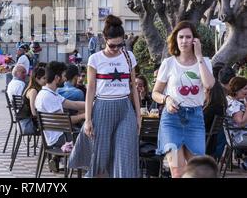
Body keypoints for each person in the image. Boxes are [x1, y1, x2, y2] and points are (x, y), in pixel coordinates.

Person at [70, 14, 141, 178]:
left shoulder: (129, 57)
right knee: (100, 158)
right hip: (102, 107)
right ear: (104, 39)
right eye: (112, 45)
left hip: (125, 108)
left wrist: (138, 115)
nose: (116, 49)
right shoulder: (95, 59)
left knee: (125, 156)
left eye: (120, 44)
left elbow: (133, 88)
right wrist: (87, 119)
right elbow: (90, 91)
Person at [152, 21, 215, 178]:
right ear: (175, 39)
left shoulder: (205, 62)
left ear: (195, 40)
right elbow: (155, 93)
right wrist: (166, 99)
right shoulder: (168, 63)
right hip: (171, 120)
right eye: (180, 37)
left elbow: (209, 84)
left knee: (198, 171)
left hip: (195, 119)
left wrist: (199, 55)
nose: (184, 41)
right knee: (177, 171)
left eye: (188, 37)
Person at [35, 61, 85, 146]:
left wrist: (93, 103)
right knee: (93, 135)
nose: (65, 79)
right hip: (60, 139)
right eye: (64, 76)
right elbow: (64, 122)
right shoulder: (48, 96)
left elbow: (74, 104)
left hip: (59, 136)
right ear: (57, 78)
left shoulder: (49, 93)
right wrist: (84, 116)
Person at [203, 62, 228, 158]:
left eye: (205, 89)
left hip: (204, 143)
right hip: (211, 143)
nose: (204, 91)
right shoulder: (220, 106)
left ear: (210, 91)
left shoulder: (211, 108)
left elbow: (200, 123)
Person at [225, 76, 247, 170]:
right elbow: (241, 123)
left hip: (235, 136)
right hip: (239, 138)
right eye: (245, 88)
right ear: (237, 89)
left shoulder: (228, 100)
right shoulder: (235, 104)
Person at [17, 66, 47, 135]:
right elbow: (34, 113)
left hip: (24, 123)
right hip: (27, 125)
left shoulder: (29, 88)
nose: (46, 81)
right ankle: (49, 145)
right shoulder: (33, 91)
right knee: (53, 127)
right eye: (44, 78)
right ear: (37, 79)